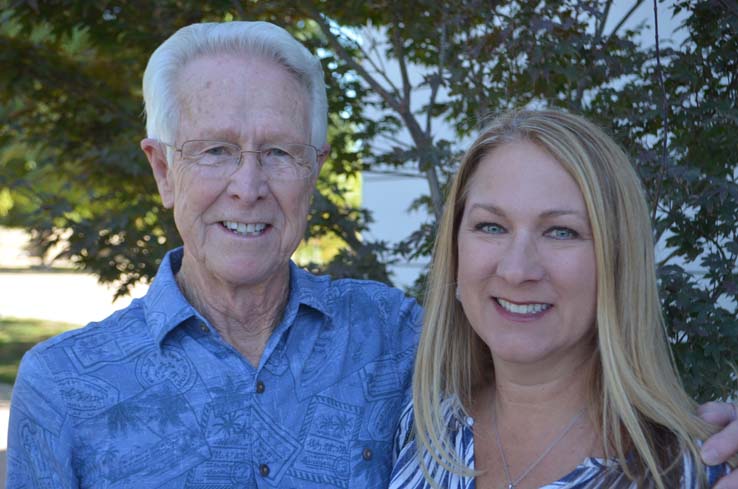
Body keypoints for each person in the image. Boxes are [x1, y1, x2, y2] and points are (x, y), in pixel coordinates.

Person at [5, 22, 737, 489]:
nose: (249, 186)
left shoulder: (395, 337)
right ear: (163, 170)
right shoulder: (63, 387)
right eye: (216, 150)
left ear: (315, 169)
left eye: (280, 153)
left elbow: (551, 357)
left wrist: (704, 439)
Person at [389, 109, 736, 489]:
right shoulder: (419, 429)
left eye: (560, 232)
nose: (517, 270)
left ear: (617, 263)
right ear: (455, 254)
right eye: (491, 227)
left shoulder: (690, 472)